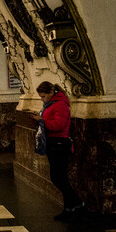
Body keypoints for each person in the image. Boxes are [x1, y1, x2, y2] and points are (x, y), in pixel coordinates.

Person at [37, 80, 85, 222]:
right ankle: (69, 209)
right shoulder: (50, 105)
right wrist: (38, 120)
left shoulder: (61, 105)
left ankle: (77, 204)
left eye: (43, 96)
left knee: (59, 178)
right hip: (53, 144)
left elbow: (59, 125)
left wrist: (42, 121)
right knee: (58, 177)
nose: (42, 99)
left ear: (51, 93)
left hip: (59, 144)